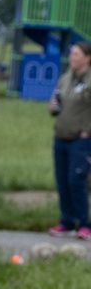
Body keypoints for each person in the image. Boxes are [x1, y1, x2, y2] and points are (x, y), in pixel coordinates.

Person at [47, 40, 91, 239]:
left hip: (80, 139)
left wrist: (87, 130)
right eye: (71, 54)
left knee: (76, 180)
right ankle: (66, 221)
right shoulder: (65, 78)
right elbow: (55, 102)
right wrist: (54, 106)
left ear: (87, 58)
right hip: (61, 136)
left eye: (76, 54)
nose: (72, 58)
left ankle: (84, 224)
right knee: (63, 180)